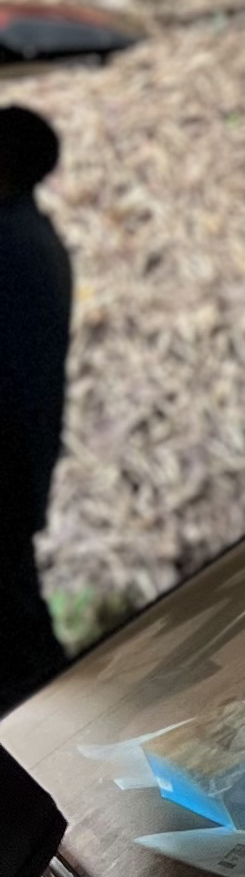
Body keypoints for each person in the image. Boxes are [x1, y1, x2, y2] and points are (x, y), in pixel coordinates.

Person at [0, 105, 70, 711]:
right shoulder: (28, 237)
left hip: (5, 466)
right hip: (16, 466)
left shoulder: (12, 244)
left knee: (19, 642)